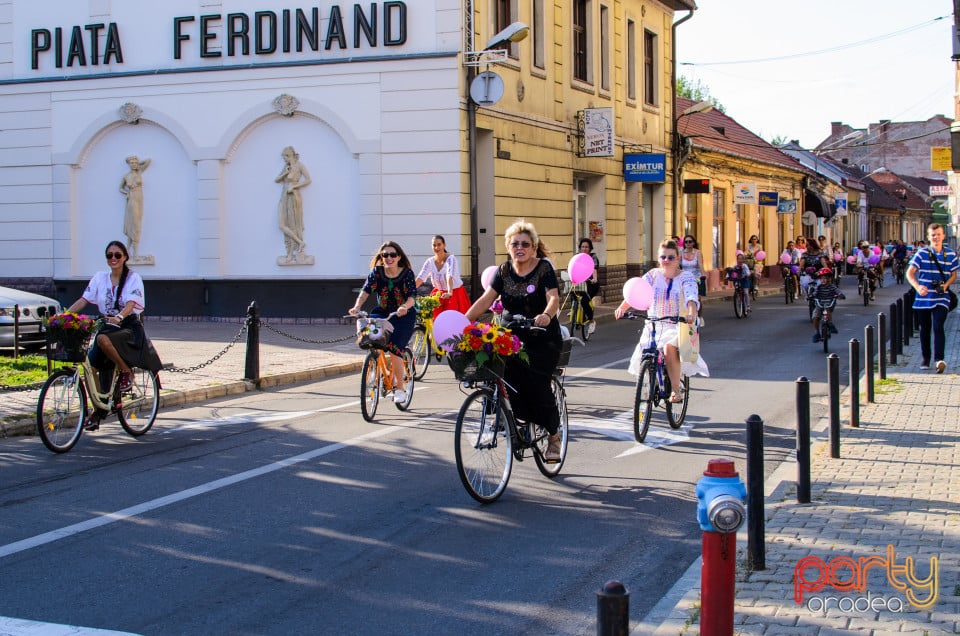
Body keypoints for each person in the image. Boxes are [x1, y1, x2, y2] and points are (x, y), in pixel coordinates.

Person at [465, 220, 563, 461]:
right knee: (503, 378)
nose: (520, 247)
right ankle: (514, 419)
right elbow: (486, 299)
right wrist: (463, 321)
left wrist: (546, 316)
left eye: (525, 244)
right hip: (512, 335)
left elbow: (553, 298)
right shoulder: (504, 271)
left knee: (538, 387)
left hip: (542, 336)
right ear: (508, 246)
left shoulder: (543, 269)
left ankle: (553, 436)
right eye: (515, 243)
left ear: (533, 247)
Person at [66, 240, 163, 430]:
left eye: (117, 255)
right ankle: (97, 411)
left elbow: (131, 304)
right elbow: (83, 300)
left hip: (127, 327)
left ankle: (126, 372)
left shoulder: (133, 278)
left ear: (125, 257)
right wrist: (65, 317)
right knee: (89, 368)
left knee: (102, 339)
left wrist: (119, 316)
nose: (113, 259)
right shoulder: (100, 278)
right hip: (108, 325)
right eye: (109, 255)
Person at [616, 239, 709, 402]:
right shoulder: (652, 275)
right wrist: (622, 308)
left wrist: (692, 313)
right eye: (663, 257)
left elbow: (691, 297)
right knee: (645, 351)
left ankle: (675, 390)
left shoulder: (685, 277)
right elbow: (638, 291)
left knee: (668, 348)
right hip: (654, 324)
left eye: (670, 257)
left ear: (678, 259)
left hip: (677, 325)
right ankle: (646, 386)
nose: (666, 261)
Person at [349, 241, 418, 402]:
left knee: (394, 348)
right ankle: (377, 368)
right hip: (383, 312)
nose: (388, 258)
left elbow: (412, 297)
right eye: (385, 255)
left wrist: (404, 307)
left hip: (403, 315)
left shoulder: (407, 274)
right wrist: (357, 306)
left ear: (399, 257)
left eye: (392, 255)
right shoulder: (377, 273)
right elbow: (365, 291)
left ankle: (400, 388)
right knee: (372, 339)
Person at [906, 223, 958, 373]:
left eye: (938, 234)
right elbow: (910, 273)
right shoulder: (921, 253)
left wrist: (946, 285)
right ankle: (925, 357)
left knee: (938, 326)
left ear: (943, 236)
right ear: (929, 237)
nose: (936, 237)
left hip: (942, 297)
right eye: (933, 235)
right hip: (923, 298)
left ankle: (939, 359)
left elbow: (954, 274)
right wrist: (917, 287)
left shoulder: (950, 254)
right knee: (925, 328)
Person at [415, 235, 471, 316]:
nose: (436, 247)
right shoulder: (430, 261)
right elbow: (421, 277)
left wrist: (449, 292)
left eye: (439, 244)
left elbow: (449, 275)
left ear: (444, 245)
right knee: (434, 322)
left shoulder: (451, 259)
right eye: (434, 245)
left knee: (453, 322)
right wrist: (410, 290)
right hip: (438, 295)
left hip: (454, 294)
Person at [275, 146, 312, 263]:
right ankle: (300, 242)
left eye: (285, 156)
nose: (284, 159)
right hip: (284, 195)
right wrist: (284, 173)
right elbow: (277, 180)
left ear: (289, 155)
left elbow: (308, 179)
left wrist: (295, 186)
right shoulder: (287, 167)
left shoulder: (299, 165)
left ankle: (291, 254)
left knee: (292, 224)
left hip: (293, 195)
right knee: (282, 224)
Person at [119, 155, 151, 260]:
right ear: (128, 164)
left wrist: (139, 164)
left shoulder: (139, 172)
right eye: (131, 163)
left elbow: (148, 161)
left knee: (137, 223)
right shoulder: (126, 176)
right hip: (132, 198)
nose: (133, 164)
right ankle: (135, 253)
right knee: (135, 224)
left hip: (140, 198)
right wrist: (126, 193)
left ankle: (128, 250)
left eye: (135, 163)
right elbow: (120, 188)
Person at [573, 237, 601, 330]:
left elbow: (594, 269)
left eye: (586, 247)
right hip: (580, 283)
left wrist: (594, 278)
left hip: (591, 284)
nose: (584, 249)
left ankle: (591, 320)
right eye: (582, 247)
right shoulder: (577, 257)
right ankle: (575, 311)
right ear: (580, 248)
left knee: (585, 301)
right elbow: (571, 267)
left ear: (590, 248)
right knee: (573, 293)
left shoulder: (593, 257)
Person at [810, 267, 844, 342]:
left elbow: (838, 291)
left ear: (829, 279)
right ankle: (817, 332)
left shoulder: (832, 287)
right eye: (822, 278)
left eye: (825, 278)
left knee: (828, 309)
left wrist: (840, 295)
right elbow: (815, 292)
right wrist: (812, 295)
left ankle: (831, 324)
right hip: (820, 304)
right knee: (815, 317)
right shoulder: (819, 287)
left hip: (829, 304)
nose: (823, 280)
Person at [681, 234, 705, 321]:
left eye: (690, 241)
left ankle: (700, 316)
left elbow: (701, 265)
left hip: (696, 278)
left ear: (693, 243)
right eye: (686, 242)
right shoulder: (681, 252)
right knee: (683, 297)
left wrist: (703, 275)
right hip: (684, 277)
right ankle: (687, 315)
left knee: (697, 298)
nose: (688, 243)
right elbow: (677, 265)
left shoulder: (697, 252)